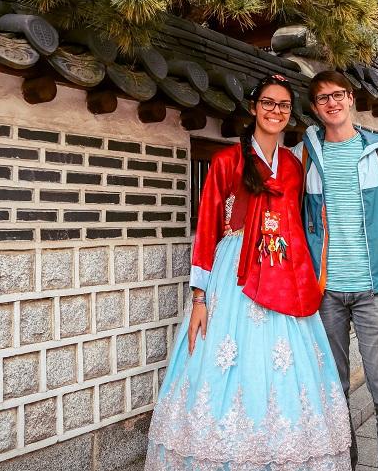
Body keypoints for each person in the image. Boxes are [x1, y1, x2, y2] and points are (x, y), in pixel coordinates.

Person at [146, 75, 351, 471]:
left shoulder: (293, 167)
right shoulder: (227, 161)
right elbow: (206, 229)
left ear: (291, 114)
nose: (276, 111)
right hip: (234, 273)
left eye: (284, 106)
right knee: (228, 363)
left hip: (283, 269)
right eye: (268, 104)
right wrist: (200, 298)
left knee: (285, 369)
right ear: (254, 107)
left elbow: (304, 223)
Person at [296, 70, 378, 471]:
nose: (332, 104)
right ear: (316, 109)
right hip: (325, 295)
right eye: (322, 99)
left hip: (373, 291)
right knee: (333, 396)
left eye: (338, 95)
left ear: (351, 99)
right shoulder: (306, 155)